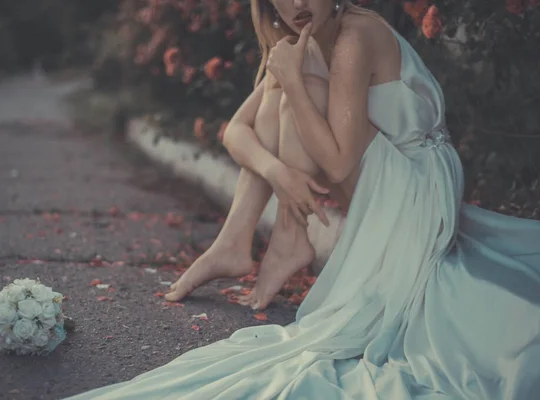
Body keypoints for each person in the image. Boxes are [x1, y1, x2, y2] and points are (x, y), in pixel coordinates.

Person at [66, 1, 540, 399]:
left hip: (416, 190)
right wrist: (281, 173)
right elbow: (235, 132)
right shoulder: (310, 41)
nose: (295, 4)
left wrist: (292, 81)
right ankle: (241, 242)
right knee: (283, 88)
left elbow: (335, 165)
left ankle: (284, 239)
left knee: (294, 89)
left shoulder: (354, 37)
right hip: (386, 179)